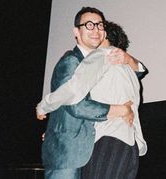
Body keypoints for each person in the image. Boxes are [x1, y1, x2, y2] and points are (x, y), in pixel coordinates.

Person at [37, 21, 147, 179]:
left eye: (99, 30)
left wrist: (44, 106)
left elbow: (73, 90)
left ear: (105, 36)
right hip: (130, 148)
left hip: (108, 141)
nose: (95, 34)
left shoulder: (102, 54)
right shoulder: (129, 69)